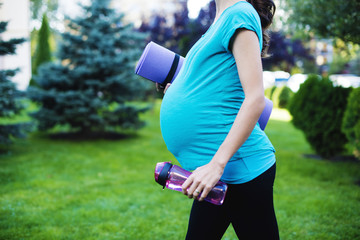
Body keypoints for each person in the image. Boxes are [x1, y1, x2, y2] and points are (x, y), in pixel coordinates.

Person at [158, 0, 279, 239]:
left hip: (238, 170)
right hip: (213, 174)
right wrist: (177, 91)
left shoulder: (239, 14)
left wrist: (217, 165)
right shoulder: (221, 19)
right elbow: (219, 83)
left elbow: (255, 99)